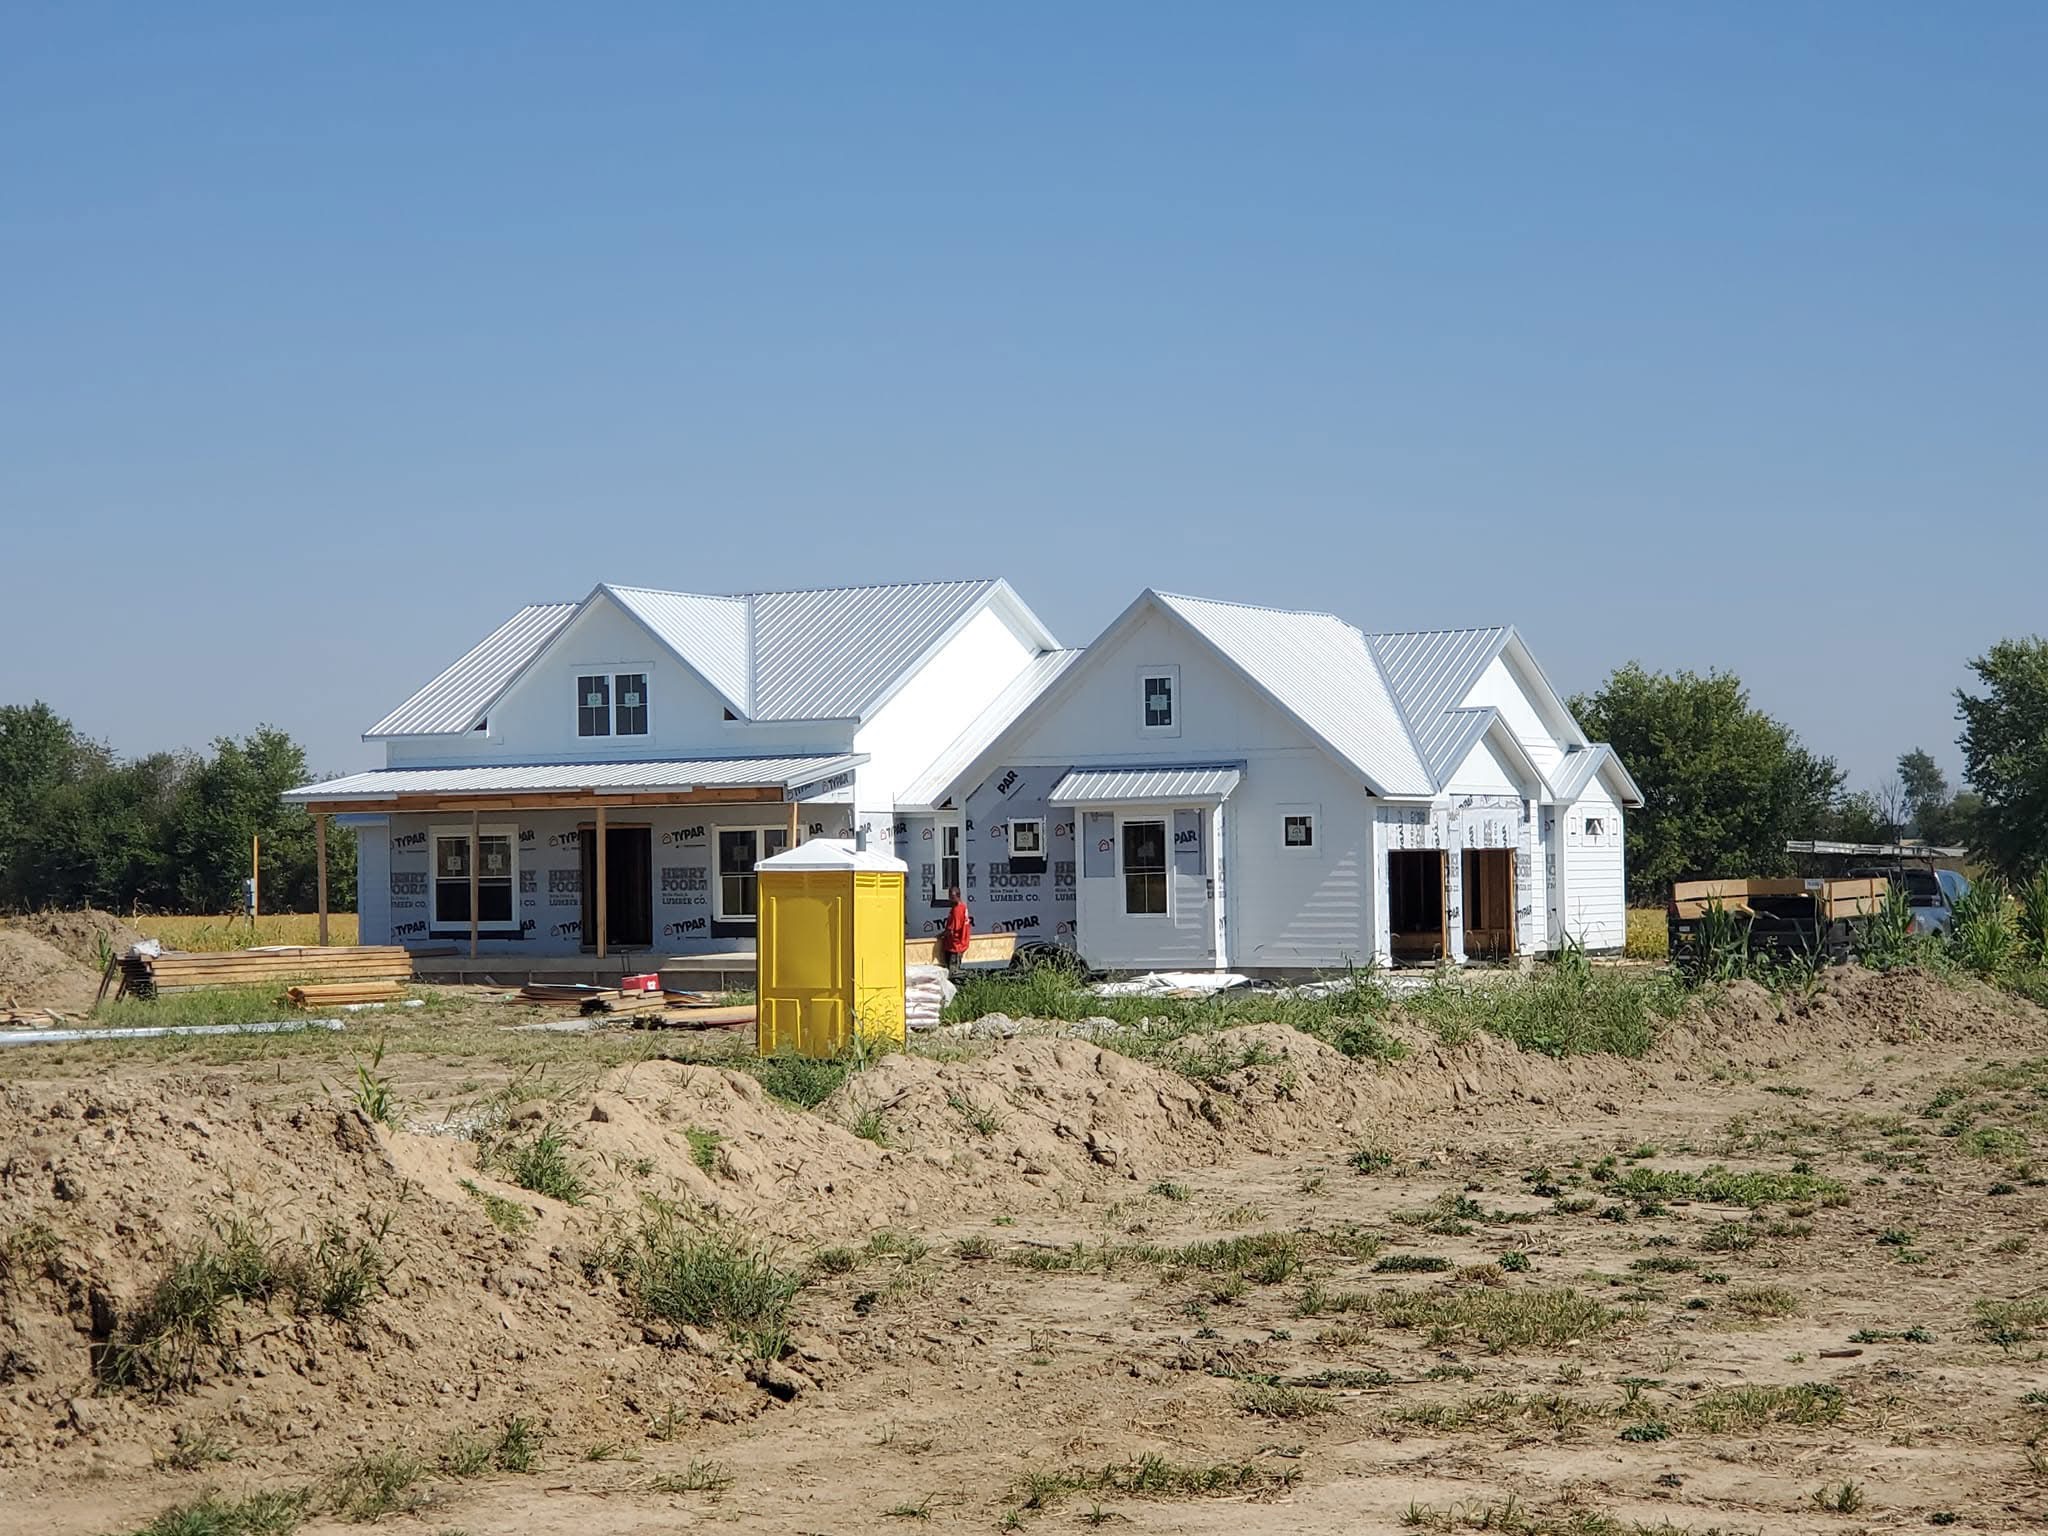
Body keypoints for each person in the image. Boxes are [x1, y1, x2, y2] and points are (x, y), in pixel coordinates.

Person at [939, 884, 972, 972]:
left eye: (951, 896)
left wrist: (939, 936)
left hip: (955, 946)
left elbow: (951, 930)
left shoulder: (957, 910)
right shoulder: (962, 907)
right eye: (949, 896)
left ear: (957, 896)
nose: (949, 899)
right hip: (958, 944)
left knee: (952, 972)